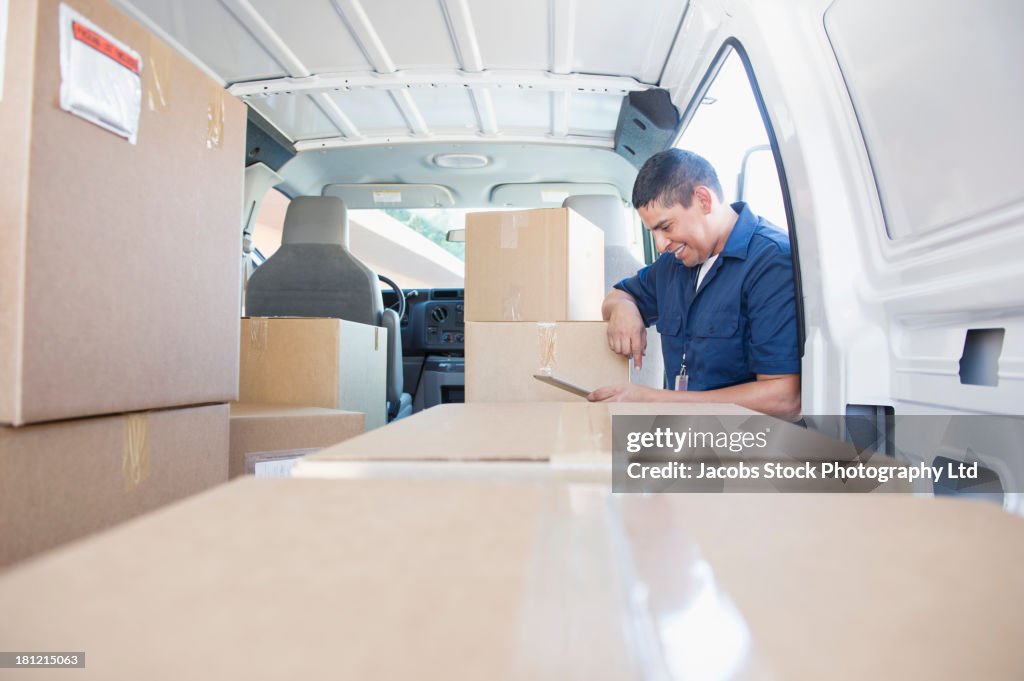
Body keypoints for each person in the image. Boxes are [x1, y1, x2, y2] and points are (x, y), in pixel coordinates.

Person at [587, 149, 801, 420]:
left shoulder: (771, 263)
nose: (660, 245)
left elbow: (785, 397)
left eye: (666, 227)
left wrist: (656, 400)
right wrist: (623, 309)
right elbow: (619, 295)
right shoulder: (672, 266)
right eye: (652, 232)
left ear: (703, 200)